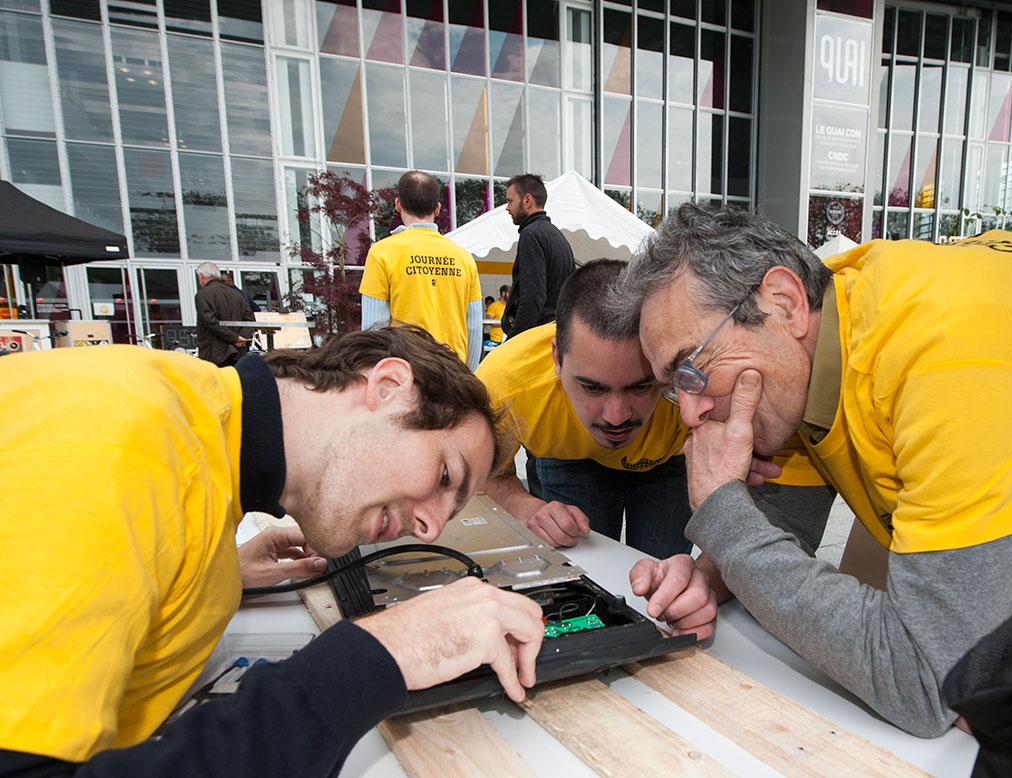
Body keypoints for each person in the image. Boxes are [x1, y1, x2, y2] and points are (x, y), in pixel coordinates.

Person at [613, 203, 1012, 738]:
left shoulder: (956, 365)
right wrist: (710, 575)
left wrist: (723, 517)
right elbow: (784, 523)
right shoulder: (822, 328)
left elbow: (929, 682)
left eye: (691, 368)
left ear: (783, 302)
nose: (690, 412)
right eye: (671, 389)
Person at [0, 325, 544, 776]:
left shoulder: (196, 435)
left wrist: (204, 577)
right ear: (389, 385)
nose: (428, 529)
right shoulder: (113, 445)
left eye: (448, 515)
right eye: (445, 474)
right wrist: (380, 653)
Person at [477, 260, 693, 559]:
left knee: (665, 574)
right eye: (592, 387)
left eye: (641, 386)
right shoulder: (505, 385)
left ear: (667, 364)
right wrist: (525, 506)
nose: (615, 417)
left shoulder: (697, 384)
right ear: (557, 358)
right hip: (569, 459)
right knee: (588, 575)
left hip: (668, 462)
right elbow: (487, 473)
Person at [359, 171, 483, 369]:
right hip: (453, 372)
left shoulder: (381, 253)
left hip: (406, 371)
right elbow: (474, 326)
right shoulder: (464, 257)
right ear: (437, 209)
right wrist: (469, 374)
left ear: (398, 204)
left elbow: (374, 330)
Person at [501, 174, 573, 338]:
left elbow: (532, 300)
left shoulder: (531, 235)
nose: (507, 208)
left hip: (537, 338)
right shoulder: (557, 236)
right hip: (555, 336)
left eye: (510, 201)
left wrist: (513, 343)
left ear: (527, 200)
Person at [194, 261, 255, 366]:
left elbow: (210, 322)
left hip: (214, 352)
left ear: (201, 276)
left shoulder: (203, 294)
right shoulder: (236, 294)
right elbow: (250, 320)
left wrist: (235, 338)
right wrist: (241, 337)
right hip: (238, 352)